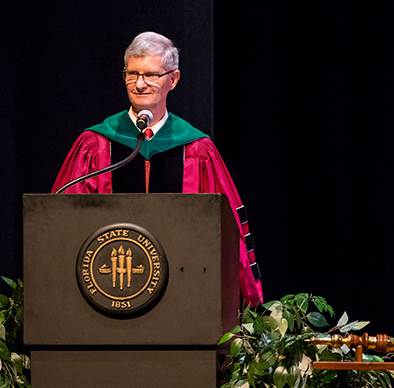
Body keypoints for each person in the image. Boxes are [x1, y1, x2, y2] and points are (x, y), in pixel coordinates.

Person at [52, 31, 263, 306]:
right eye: (132, 74)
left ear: (172, 79)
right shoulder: (95, 144)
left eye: (150, 75)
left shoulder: (198, 150)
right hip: (105, 294)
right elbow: (61, 224)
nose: (139, 84)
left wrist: (246, 294)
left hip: (184, 296)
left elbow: (228, 229)